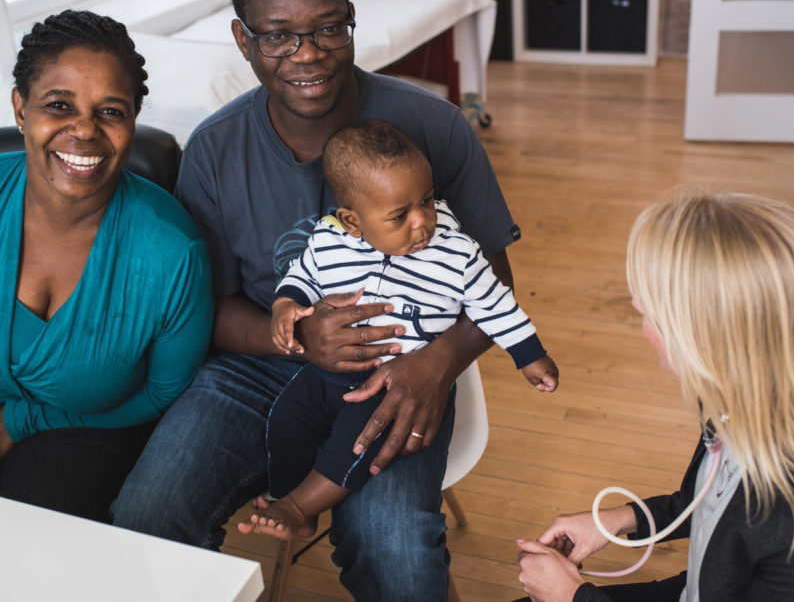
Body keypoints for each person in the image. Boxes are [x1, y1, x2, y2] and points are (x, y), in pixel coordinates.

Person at [109, 0, 522, 598]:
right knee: (146, 518)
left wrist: (436, 364)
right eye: (278, 36)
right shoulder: (215, 151)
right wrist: (300, 335)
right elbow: (206, 309)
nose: (308, 54)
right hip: (254, 371)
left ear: (350, 17)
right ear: (244, 42)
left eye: (328, 27)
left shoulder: (435, 127)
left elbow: (495, 280)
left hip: (396, 372)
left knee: (399, 559)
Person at [515, 191, 794, 601]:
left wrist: (574, 597)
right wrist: (619, 519)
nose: (634, 303)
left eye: (651, 307)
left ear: (709, 339)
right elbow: (713, 500)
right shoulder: (738, 400)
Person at [0, 9, 214, 523]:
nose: (85, 131)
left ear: (133, 120)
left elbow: (164, 390)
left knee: (32, 537)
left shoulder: (173, 252)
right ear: (21, 110)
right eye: (59, 105)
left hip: (93, 423)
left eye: (111, 111)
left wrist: (24, 419)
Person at [239, 119, 558, 539]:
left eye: (426, 200)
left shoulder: (456, 252)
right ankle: (287, 495)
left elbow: (494, 302)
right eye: (399, 215)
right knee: (287, 419)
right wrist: (285, 306)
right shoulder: (330, 240)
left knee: (357, 441)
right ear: (352, 221)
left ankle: (300, 508)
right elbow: (302, 277)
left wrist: (529, 355)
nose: (422, 221)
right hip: (327, 373)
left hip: (394, 385)